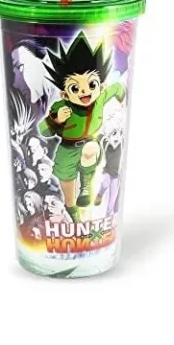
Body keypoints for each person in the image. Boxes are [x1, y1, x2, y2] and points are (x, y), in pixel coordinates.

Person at [38, 31, 125, 220]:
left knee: (91, 147)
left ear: (100, 86)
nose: (85, 91)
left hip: (88, 143)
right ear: (65, 94)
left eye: (92, 84)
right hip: (67, 148)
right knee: (66, 180)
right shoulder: (61, 107)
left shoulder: (100, 98)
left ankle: (85, 186)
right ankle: (72, 210)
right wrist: (56, 119)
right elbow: (43, 130)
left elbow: (116, 88)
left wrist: (121, 96)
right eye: (75, 88)